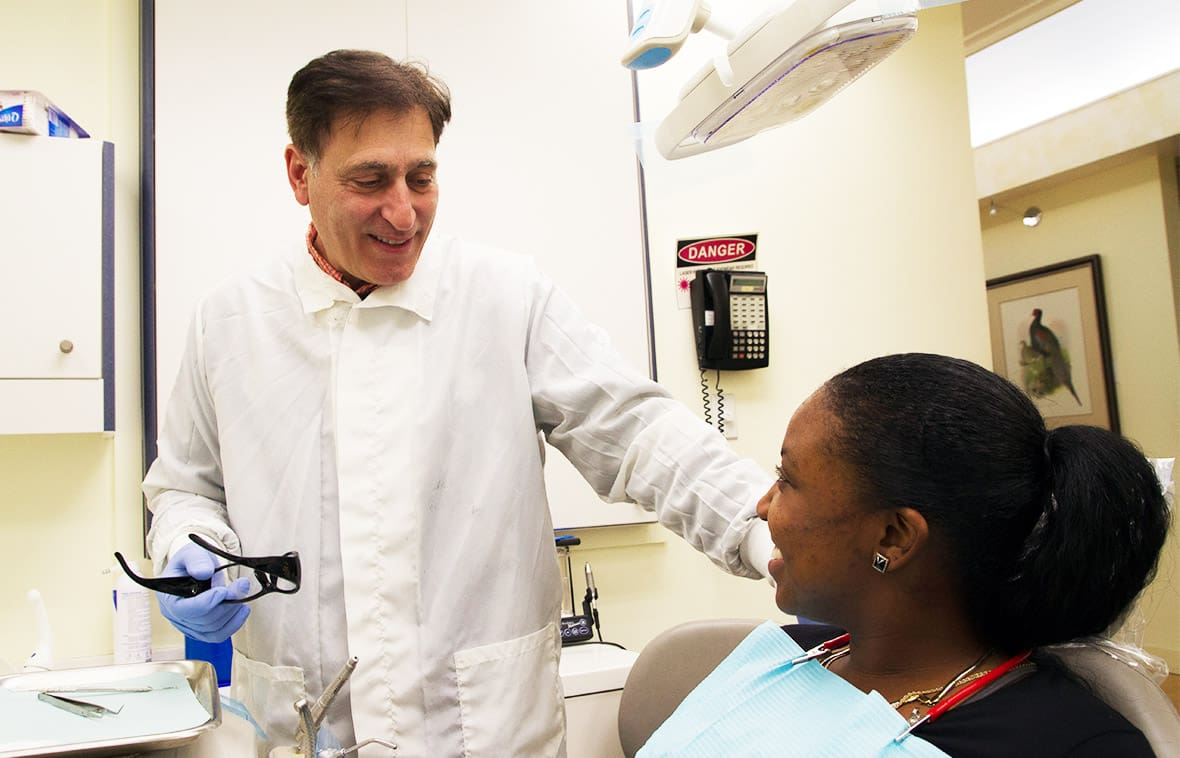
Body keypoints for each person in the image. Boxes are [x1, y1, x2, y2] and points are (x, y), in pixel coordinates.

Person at [142, 49, 774, 756]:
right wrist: (189, 552)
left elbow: (636, 432)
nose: (403, 211)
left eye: (422, 176)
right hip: (302, 731)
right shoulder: (230, 321)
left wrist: (765, 526)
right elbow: (184, 490)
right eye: (370, 179)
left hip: (486, 734)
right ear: (300, 173)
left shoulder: (505, 296)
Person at [641, 353, 1170, 756]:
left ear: (893, 538)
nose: (761, 507)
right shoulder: (784, 655)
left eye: (787, 480)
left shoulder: (1067, 743)